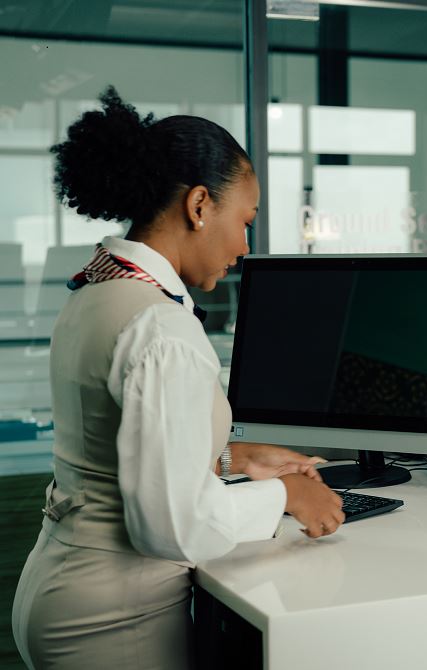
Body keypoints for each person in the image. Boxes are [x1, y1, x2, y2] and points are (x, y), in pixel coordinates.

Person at [12, 87, 346, 670]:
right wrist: (288, 494)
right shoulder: (161, 328)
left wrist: (230, 459)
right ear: (198, 206)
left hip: (64, 587)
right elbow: (172, 525)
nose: (244, 247)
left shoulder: (99, 289)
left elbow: (114, 450)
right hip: (114, 618)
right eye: (245, 221)